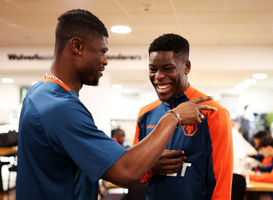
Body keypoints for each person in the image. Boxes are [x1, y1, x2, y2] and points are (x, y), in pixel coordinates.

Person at [16, 10, 217, 200]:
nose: (105, 61)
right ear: (77, 46)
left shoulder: (39, 93)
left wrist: (148, 161)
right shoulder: (59, 107)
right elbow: (126, 172)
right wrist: (174, 117)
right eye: (102, 51)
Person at [133, 33, 233, 200]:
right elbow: (136, 174)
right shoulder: (146, 114)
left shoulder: (213, 113)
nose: (158, 76)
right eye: (153, 69)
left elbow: (221, 183)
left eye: (167, 68)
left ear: (186, 67)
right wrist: (152, 166)